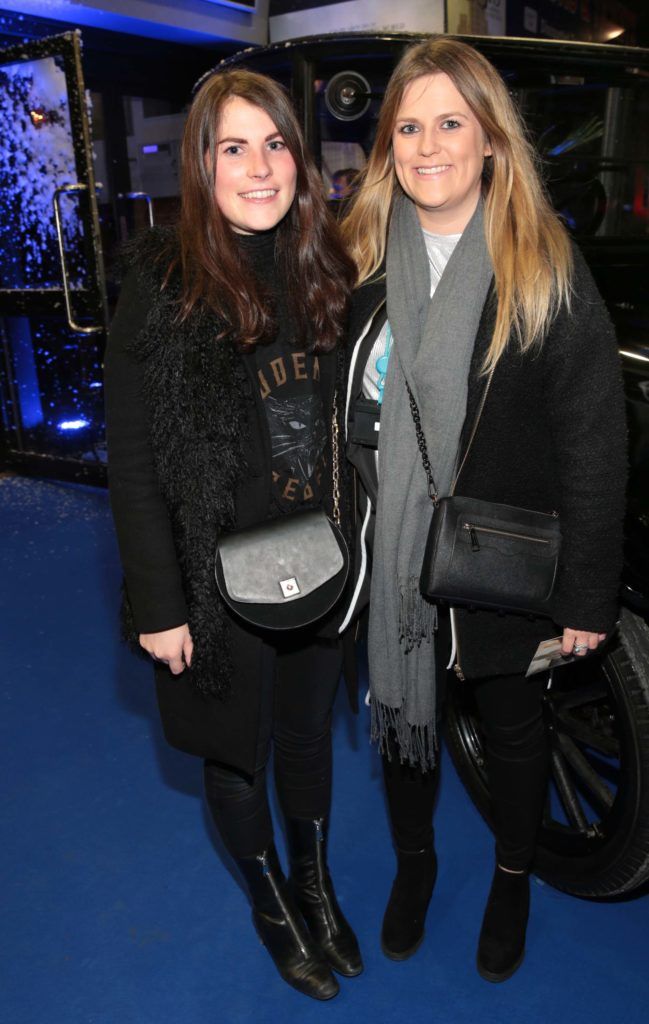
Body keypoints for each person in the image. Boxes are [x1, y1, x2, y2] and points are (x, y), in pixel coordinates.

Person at [340, 36, 626, 982]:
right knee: (404, 722)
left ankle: (511, 876)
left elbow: (593, 440)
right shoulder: (361, 260)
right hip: (391, 557)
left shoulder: (543, 264)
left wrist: (586, 593)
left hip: (497, 560)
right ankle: (414, 866)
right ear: (388, 146)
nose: (427, 145)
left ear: (491, 139)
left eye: (449, 122)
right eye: (407, 126)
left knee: (512, 730)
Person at [104, 68, 361, 1001]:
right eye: (232, 148)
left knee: (305, 739)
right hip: (213, 582)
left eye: (275, 143)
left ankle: (315, 884)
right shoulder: (162, 285)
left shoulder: (326, 267)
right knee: (233, 751)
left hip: (322, 562)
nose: (259, 167)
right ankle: (269, 901)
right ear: (201, 165)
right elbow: (130, 461)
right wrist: (161, 604)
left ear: (300, 156)